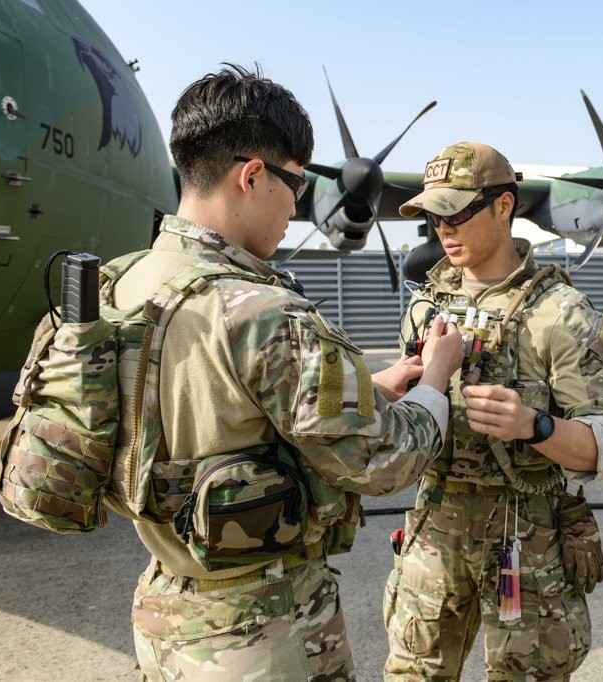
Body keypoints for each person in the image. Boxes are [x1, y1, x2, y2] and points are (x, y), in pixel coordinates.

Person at [112, 65, 464, 680]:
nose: (297, 205)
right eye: (296, 185)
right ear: (253, 176)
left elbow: (195, 419)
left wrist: (370, 391)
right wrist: (435, 380)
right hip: (262, 630)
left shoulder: (121, 284)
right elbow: (383, 463)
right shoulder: (264, 312)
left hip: (164, 611)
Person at [384, 141, 603, 680]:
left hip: (525, 531)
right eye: (432, 215)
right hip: (436, 521)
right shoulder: (427, 305)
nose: (442, 229)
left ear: (504, 206)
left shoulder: (559, 314)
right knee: (413, 671)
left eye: (457, 211)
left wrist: (535, 426)